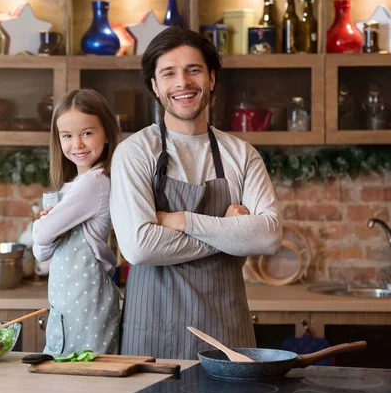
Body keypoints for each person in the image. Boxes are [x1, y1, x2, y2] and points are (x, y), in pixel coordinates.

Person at [109, 27, 282, 359]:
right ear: (154, 86)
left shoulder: (242, 155)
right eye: (169, 73)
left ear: (211, 78)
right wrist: (228, 236)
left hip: (227, 331)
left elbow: (268, 237)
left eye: (193, 70)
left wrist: (181, 220)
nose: (182, 83)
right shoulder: (135, 153)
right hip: (153, 335)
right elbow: (139, 247)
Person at [32, 89, 122, 356]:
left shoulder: (95, 183)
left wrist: (46, 227)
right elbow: (41, 252)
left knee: (85, 381)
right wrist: (46, 231)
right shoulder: (73, 187)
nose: (77, 144)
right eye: (67, 136)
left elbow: (43, 234)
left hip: (88, 304)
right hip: (66, 307)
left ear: (106, 133)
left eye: (87, 133)